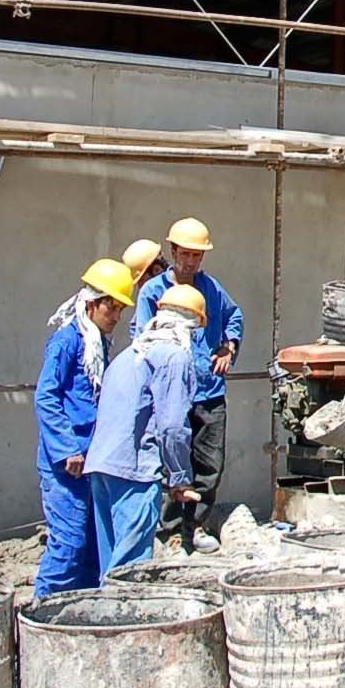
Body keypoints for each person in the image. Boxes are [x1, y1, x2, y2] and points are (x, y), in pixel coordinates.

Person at [133, 217, 242, 552]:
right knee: (172, 461)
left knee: (208, 464)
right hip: (170, 394)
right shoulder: (153, 292)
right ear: (173, 251)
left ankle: (198, 525)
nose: (191, 261)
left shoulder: (212, 289)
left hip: (208, 390)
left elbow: (234, 316)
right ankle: (171, 531)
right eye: (186, 254)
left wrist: (229, 345)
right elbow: (142, 339)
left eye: (197, 255)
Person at [33, 259, 135, 600]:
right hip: (66, 464)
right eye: (112, 307)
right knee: (69, 544)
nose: (116, 317)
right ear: (92, 303)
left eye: (121, 310)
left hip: (92, 458)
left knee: (93, 545)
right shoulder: (67, 342)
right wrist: (66, 449)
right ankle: (43, 608)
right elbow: (47, 397)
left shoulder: (98, 346)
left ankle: (83, 612)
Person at [86, 283, 203, 579]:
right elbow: (173, 426)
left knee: (110, 563)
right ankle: (121, 624)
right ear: (193, 325)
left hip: (101, 467)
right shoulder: (175, 357)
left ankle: (100, 621)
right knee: (129, 571)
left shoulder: (129, 355)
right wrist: (180, 478)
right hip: (134, 472)